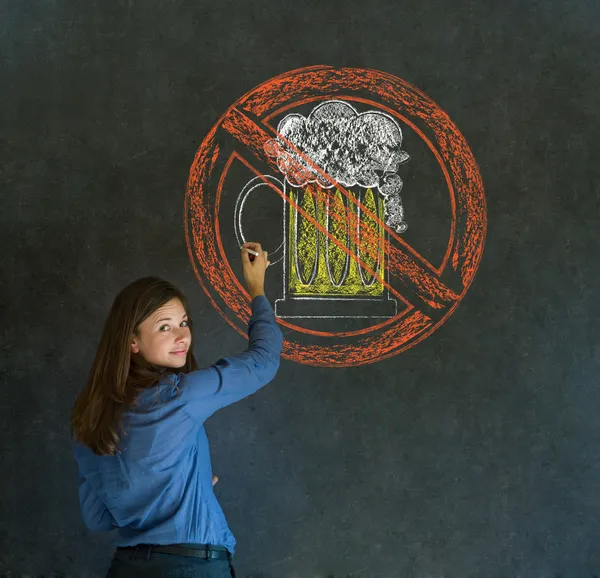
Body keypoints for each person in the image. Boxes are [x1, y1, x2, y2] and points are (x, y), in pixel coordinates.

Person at [70, 243, 282, 578]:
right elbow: (264, 361)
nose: (182, 335)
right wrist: (256, 288)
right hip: (191, 568)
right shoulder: (179, 397)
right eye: (164, 326)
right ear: (133, 341)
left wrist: (177, 490)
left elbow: (98, 519)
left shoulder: (88, 419)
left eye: (184, 322)